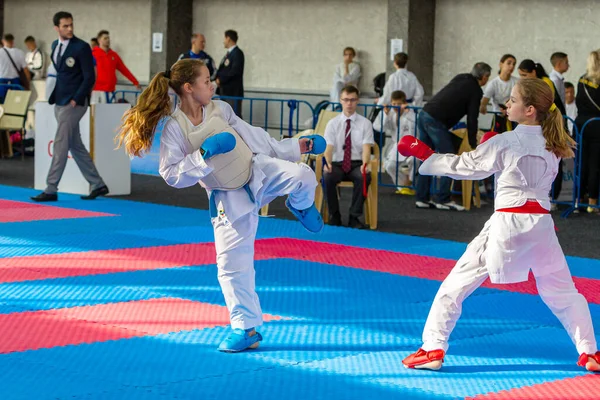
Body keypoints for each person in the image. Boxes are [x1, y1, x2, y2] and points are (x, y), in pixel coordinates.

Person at [116, 58, 326, 352]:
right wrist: (204, 154)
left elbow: (253, 136)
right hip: (227, 196)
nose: (212, 84)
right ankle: (246, 328)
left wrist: (295, 147)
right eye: (205, 81)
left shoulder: (221, 108)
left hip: (257, 169)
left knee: (302, 175)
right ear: (188, 88)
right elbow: (171, 174)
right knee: (232, 264)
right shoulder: (176, 128)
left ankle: (301, 206)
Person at [398, 78, 599, 373]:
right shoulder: (554, 144)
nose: (507, 103)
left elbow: (465, 167)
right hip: (542, 226)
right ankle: (590, 352)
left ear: (530, 110)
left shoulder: (505, 142)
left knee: (454, 286)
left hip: (507, 225)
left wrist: (428, 156)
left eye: (514, 99)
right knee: (563, 293)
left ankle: (432, 348)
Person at [31, 11, 108, 202]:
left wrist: (76, 99)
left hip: (74, 103)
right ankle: (98, 184)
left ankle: (50, 188)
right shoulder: (55, 45)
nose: (70, 29)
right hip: (60, 101)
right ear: (56, 28)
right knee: (75, 145)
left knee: (60, 144)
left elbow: (90, 77)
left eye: (71, 25)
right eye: (65, 26)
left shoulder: (81, 47)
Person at [415, 62, 491, 211]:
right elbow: (472, 118)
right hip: (436, 121)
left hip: (425, 113)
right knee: (449, 158)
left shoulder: (461, 77)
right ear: (484, 76)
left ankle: (421, 198)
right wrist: (472, 142)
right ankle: (443, 198)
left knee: (427, 158)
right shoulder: (475, 90)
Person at [323, 85, 374, 229]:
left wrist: (365, 164)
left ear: (357, 101)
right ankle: (335, 215)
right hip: (337, 163)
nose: (349, 104)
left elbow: (366, 148)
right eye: (346, 100)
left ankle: (354, 216)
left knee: (364, 176)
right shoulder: (332, 124)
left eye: (352, 100)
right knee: (327, 177)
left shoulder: (365, 124)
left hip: (356, 163)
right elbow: (328, 147)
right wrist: (327, 162)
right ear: (340, 101)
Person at [518, 59, 568, 204]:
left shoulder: (546, 82)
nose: (522, 79)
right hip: (542, 127)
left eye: (525, 75)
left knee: (552, 160)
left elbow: (543, 104)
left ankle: (552, 197)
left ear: (533, 72)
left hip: (553, 126)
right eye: (520, 75)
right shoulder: (535, 84)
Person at [373, 90, 415, 194]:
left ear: (404, 103)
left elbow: (416, 128)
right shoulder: (390, 113)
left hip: (412, 144)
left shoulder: (411, 113)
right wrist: (385, 115)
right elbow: (379, 128)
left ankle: (410, 180)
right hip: (397, 145)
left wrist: (408, 114)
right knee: (389, 166)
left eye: (399, 104)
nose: (396, 107)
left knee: (413, 161)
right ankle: (402, 187)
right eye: (394, 104)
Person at [575, 49, 600, 213]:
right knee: (595, 164)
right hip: (597, 125)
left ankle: (578, 200)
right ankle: (592, 202)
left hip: (581, 124)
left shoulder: (582, 80)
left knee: (581, 163)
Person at [91, 30, 141, 104]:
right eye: (105, 38)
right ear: (99, 40)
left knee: (110, 113)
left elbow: (124, 69)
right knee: (96, 113)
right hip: (97, 90)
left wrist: (135, 82)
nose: (108, 40)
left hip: (111, 90)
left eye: (108, 38)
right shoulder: (93, 54)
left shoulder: (114, 55)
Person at [480, 54, 518, 132]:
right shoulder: (493, 83)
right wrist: (483, 106)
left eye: (514, 64)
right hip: (498, 117)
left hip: (513, 119)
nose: (512, 66)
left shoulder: (517, 82)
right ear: (501, 64)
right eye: (509, 63)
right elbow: (484, 102)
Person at [216, 30, 244, 118]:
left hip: (233, 92)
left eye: (224, 38)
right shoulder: (229, 54)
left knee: (234, 117)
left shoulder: (237, 53)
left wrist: (221, 80)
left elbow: (234, 71)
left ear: (228, 39)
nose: (223, 41)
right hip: (225, 91)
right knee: (225, 117)